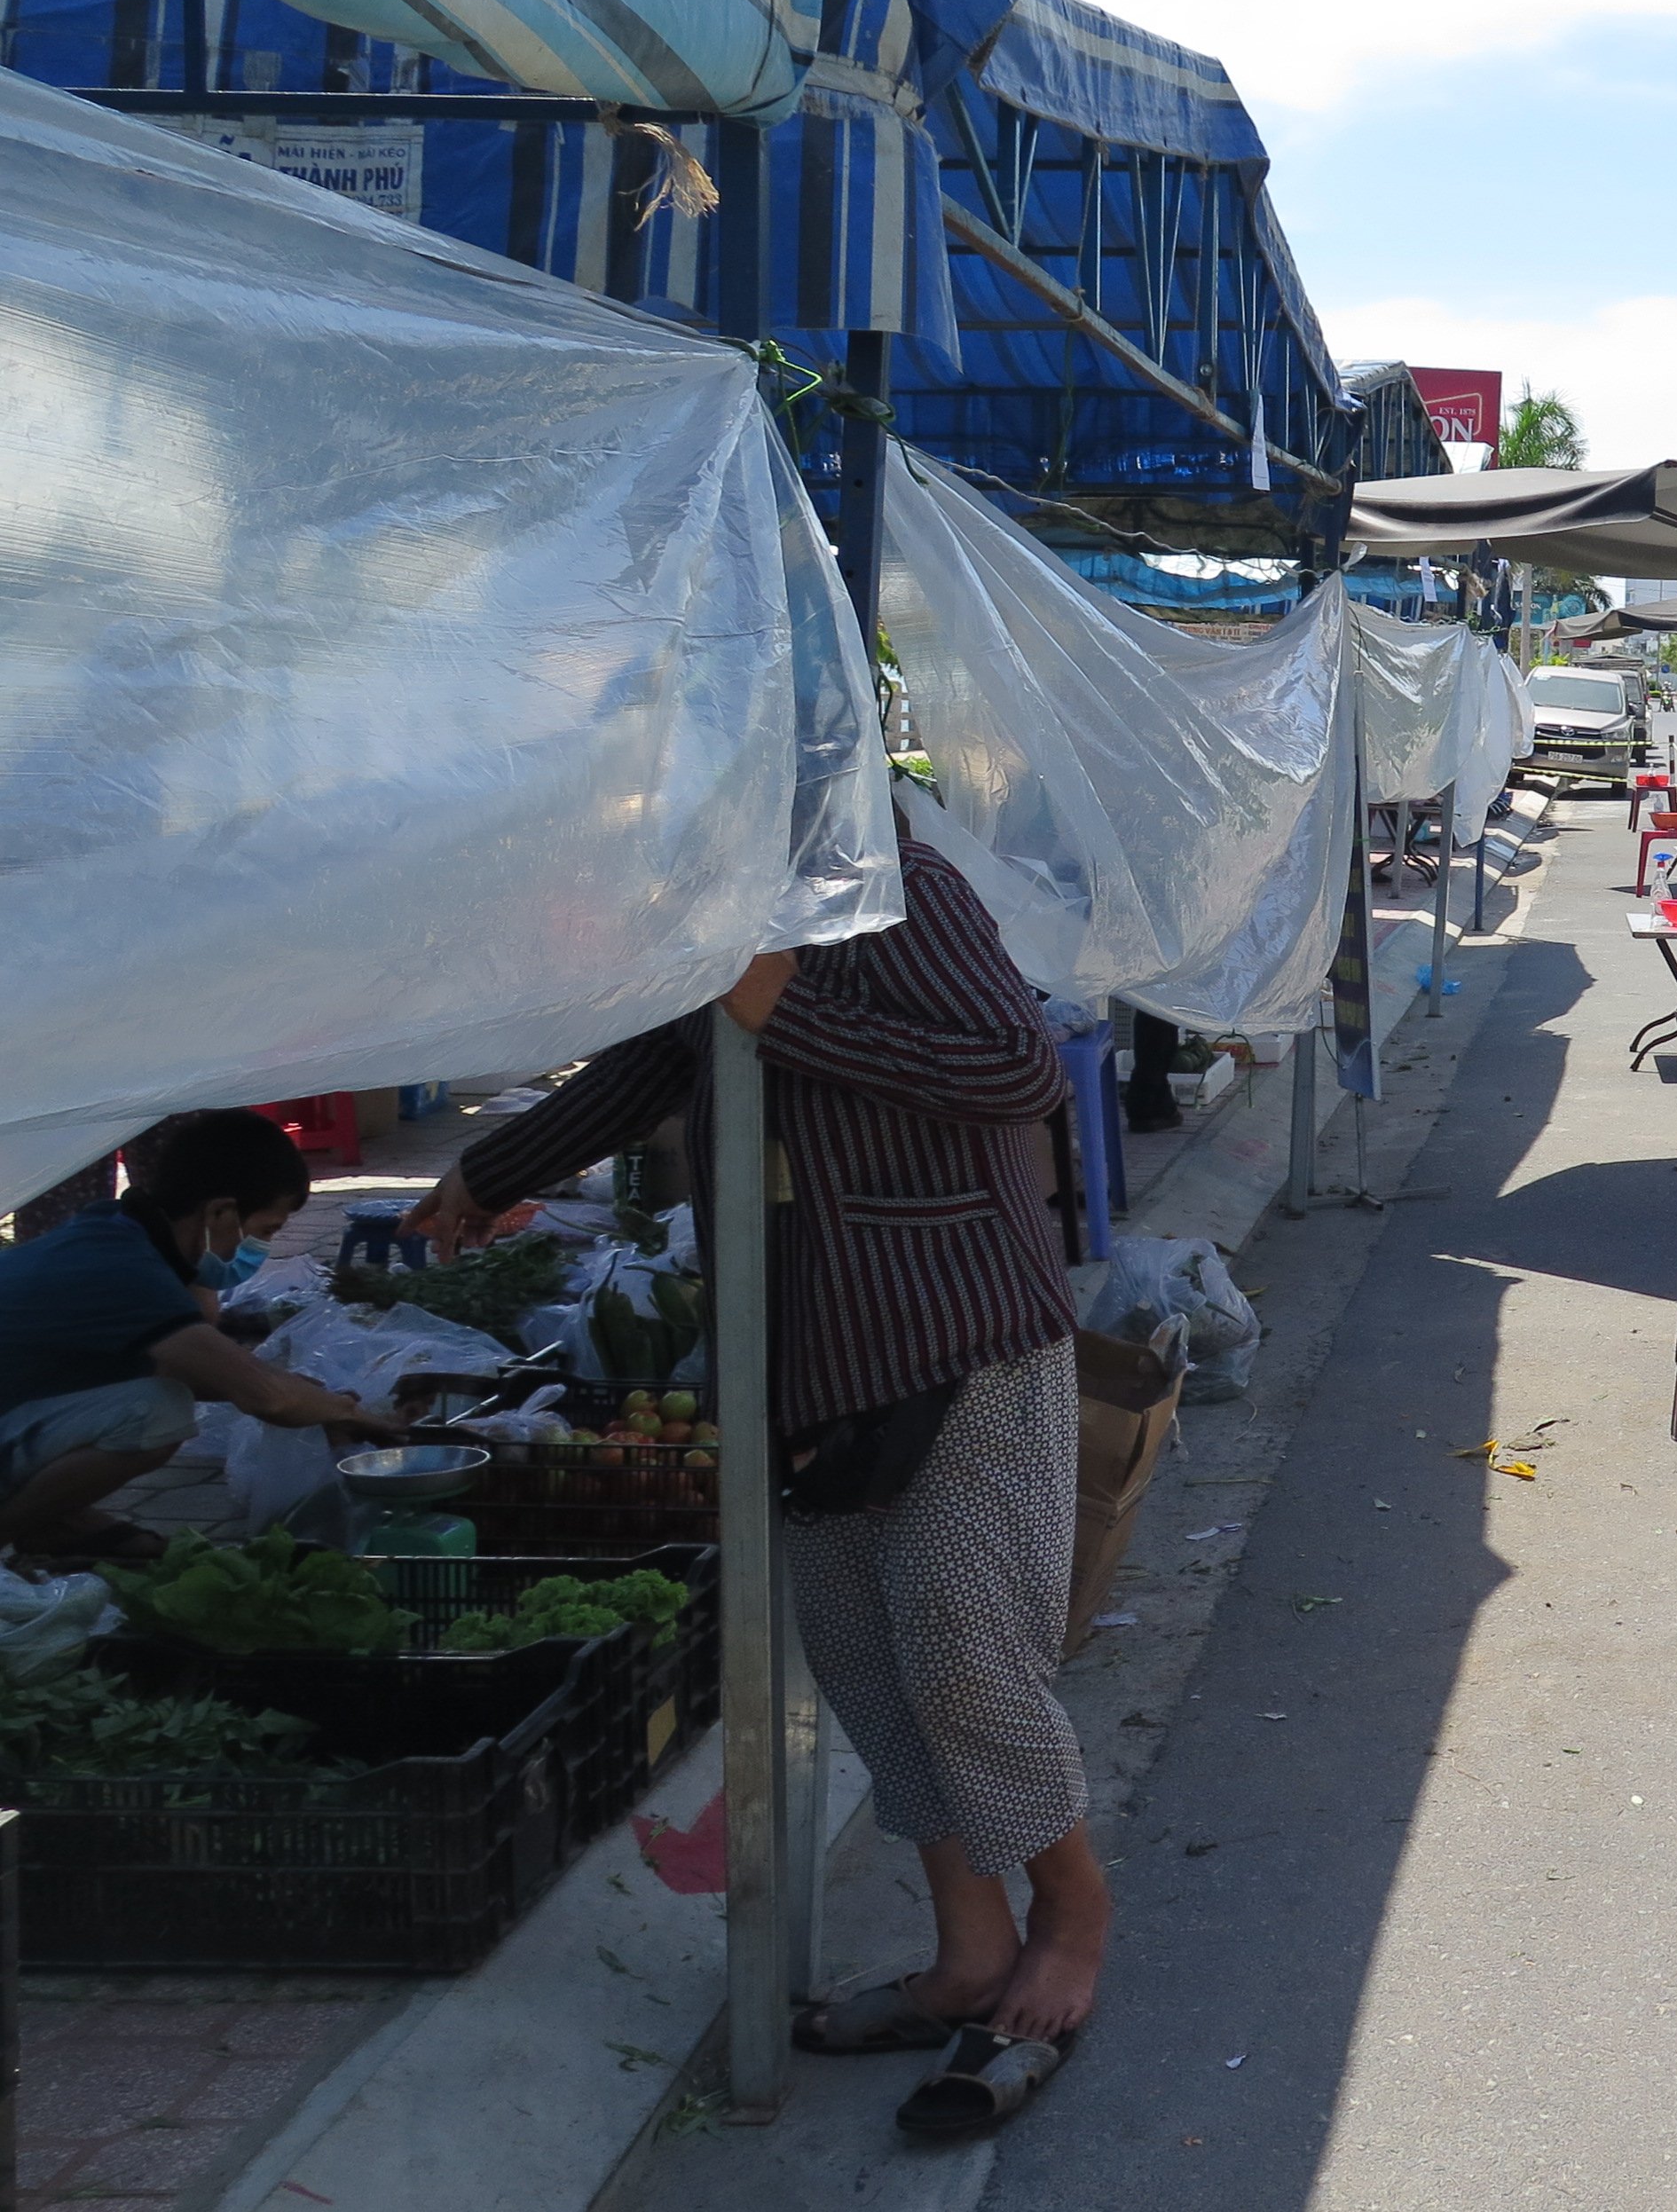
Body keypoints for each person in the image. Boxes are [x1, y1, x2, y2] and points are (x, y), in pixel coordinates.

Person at [411, 822, 1105, 2139]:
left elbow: (1019, 1070)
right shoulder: (711, 898)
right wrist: (485, 1178)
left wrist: (783, 999)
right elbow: (647, 1066)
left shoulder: (897, 886)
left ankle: (1075, 1914)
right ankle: (967, 1950)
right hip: (809, 1357)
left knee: (964, 1649)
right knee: (870, 1661)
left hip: (960, 1333)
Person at [0, 1111, 392, 1562]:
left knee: (157, 1392)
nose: (260, 1250)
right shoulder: (128, 1269)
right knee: (158, 1413)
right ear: (220, 1211)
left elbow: (198, 1370)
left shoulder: (115, 1230)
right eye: (265, 1231)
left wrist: (314, 1398)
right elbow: (267, 1398)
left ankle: (57, 1526)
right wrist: (347, 1412)